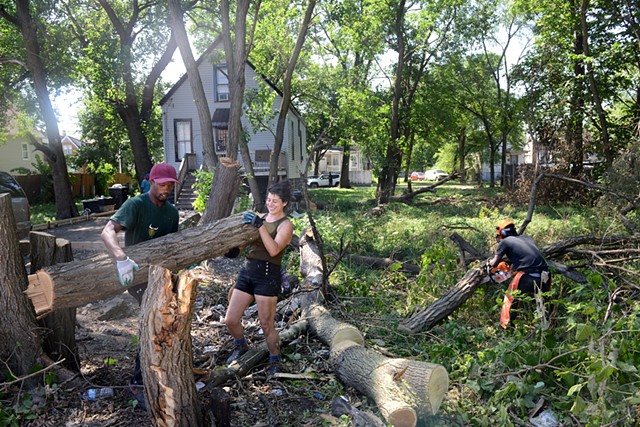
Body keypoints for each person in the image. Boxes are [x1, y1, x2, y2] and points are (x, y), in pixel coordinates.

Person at [101, 162, 179, 408]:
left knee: (169, 324)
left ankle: (164, 373)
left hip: (162, 277)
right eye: (163, 183)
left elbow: (175, 246)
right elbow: (106, 232)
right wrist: (121, 258)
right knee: (153, 324)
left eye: (170, 184)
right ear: (152, 182)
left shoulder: (172, 213)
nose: (166, 188)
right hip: (137, 277)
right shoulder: (136, 205)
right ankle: (138, 382)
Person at [224, 180, 294, 376]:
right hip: (248, 271)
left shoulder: (285, 224)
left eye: (275, 201)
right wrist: (233, 250)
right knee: (230, 319)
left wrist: (260, 225)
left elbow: (273, 250)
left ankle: (275, 360)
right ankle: (241, 346)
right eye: (269, 200)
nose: (270, 204)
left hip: (267, 274)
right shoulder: (260, 217)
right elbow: (246, 245)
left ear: (285, 203)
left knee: (266, 325)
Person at [486, 219, 551, 329]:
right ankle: (549, 325)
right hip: (546, 274)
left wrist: (488, 263)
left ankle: (506, 327)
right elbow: (526, 257)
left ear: (502, 233)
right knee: (546, 302)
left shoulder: (505, 242)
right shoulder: (527, 238)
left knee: (510, 300)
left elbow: (494, 263)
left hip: (528, 275)